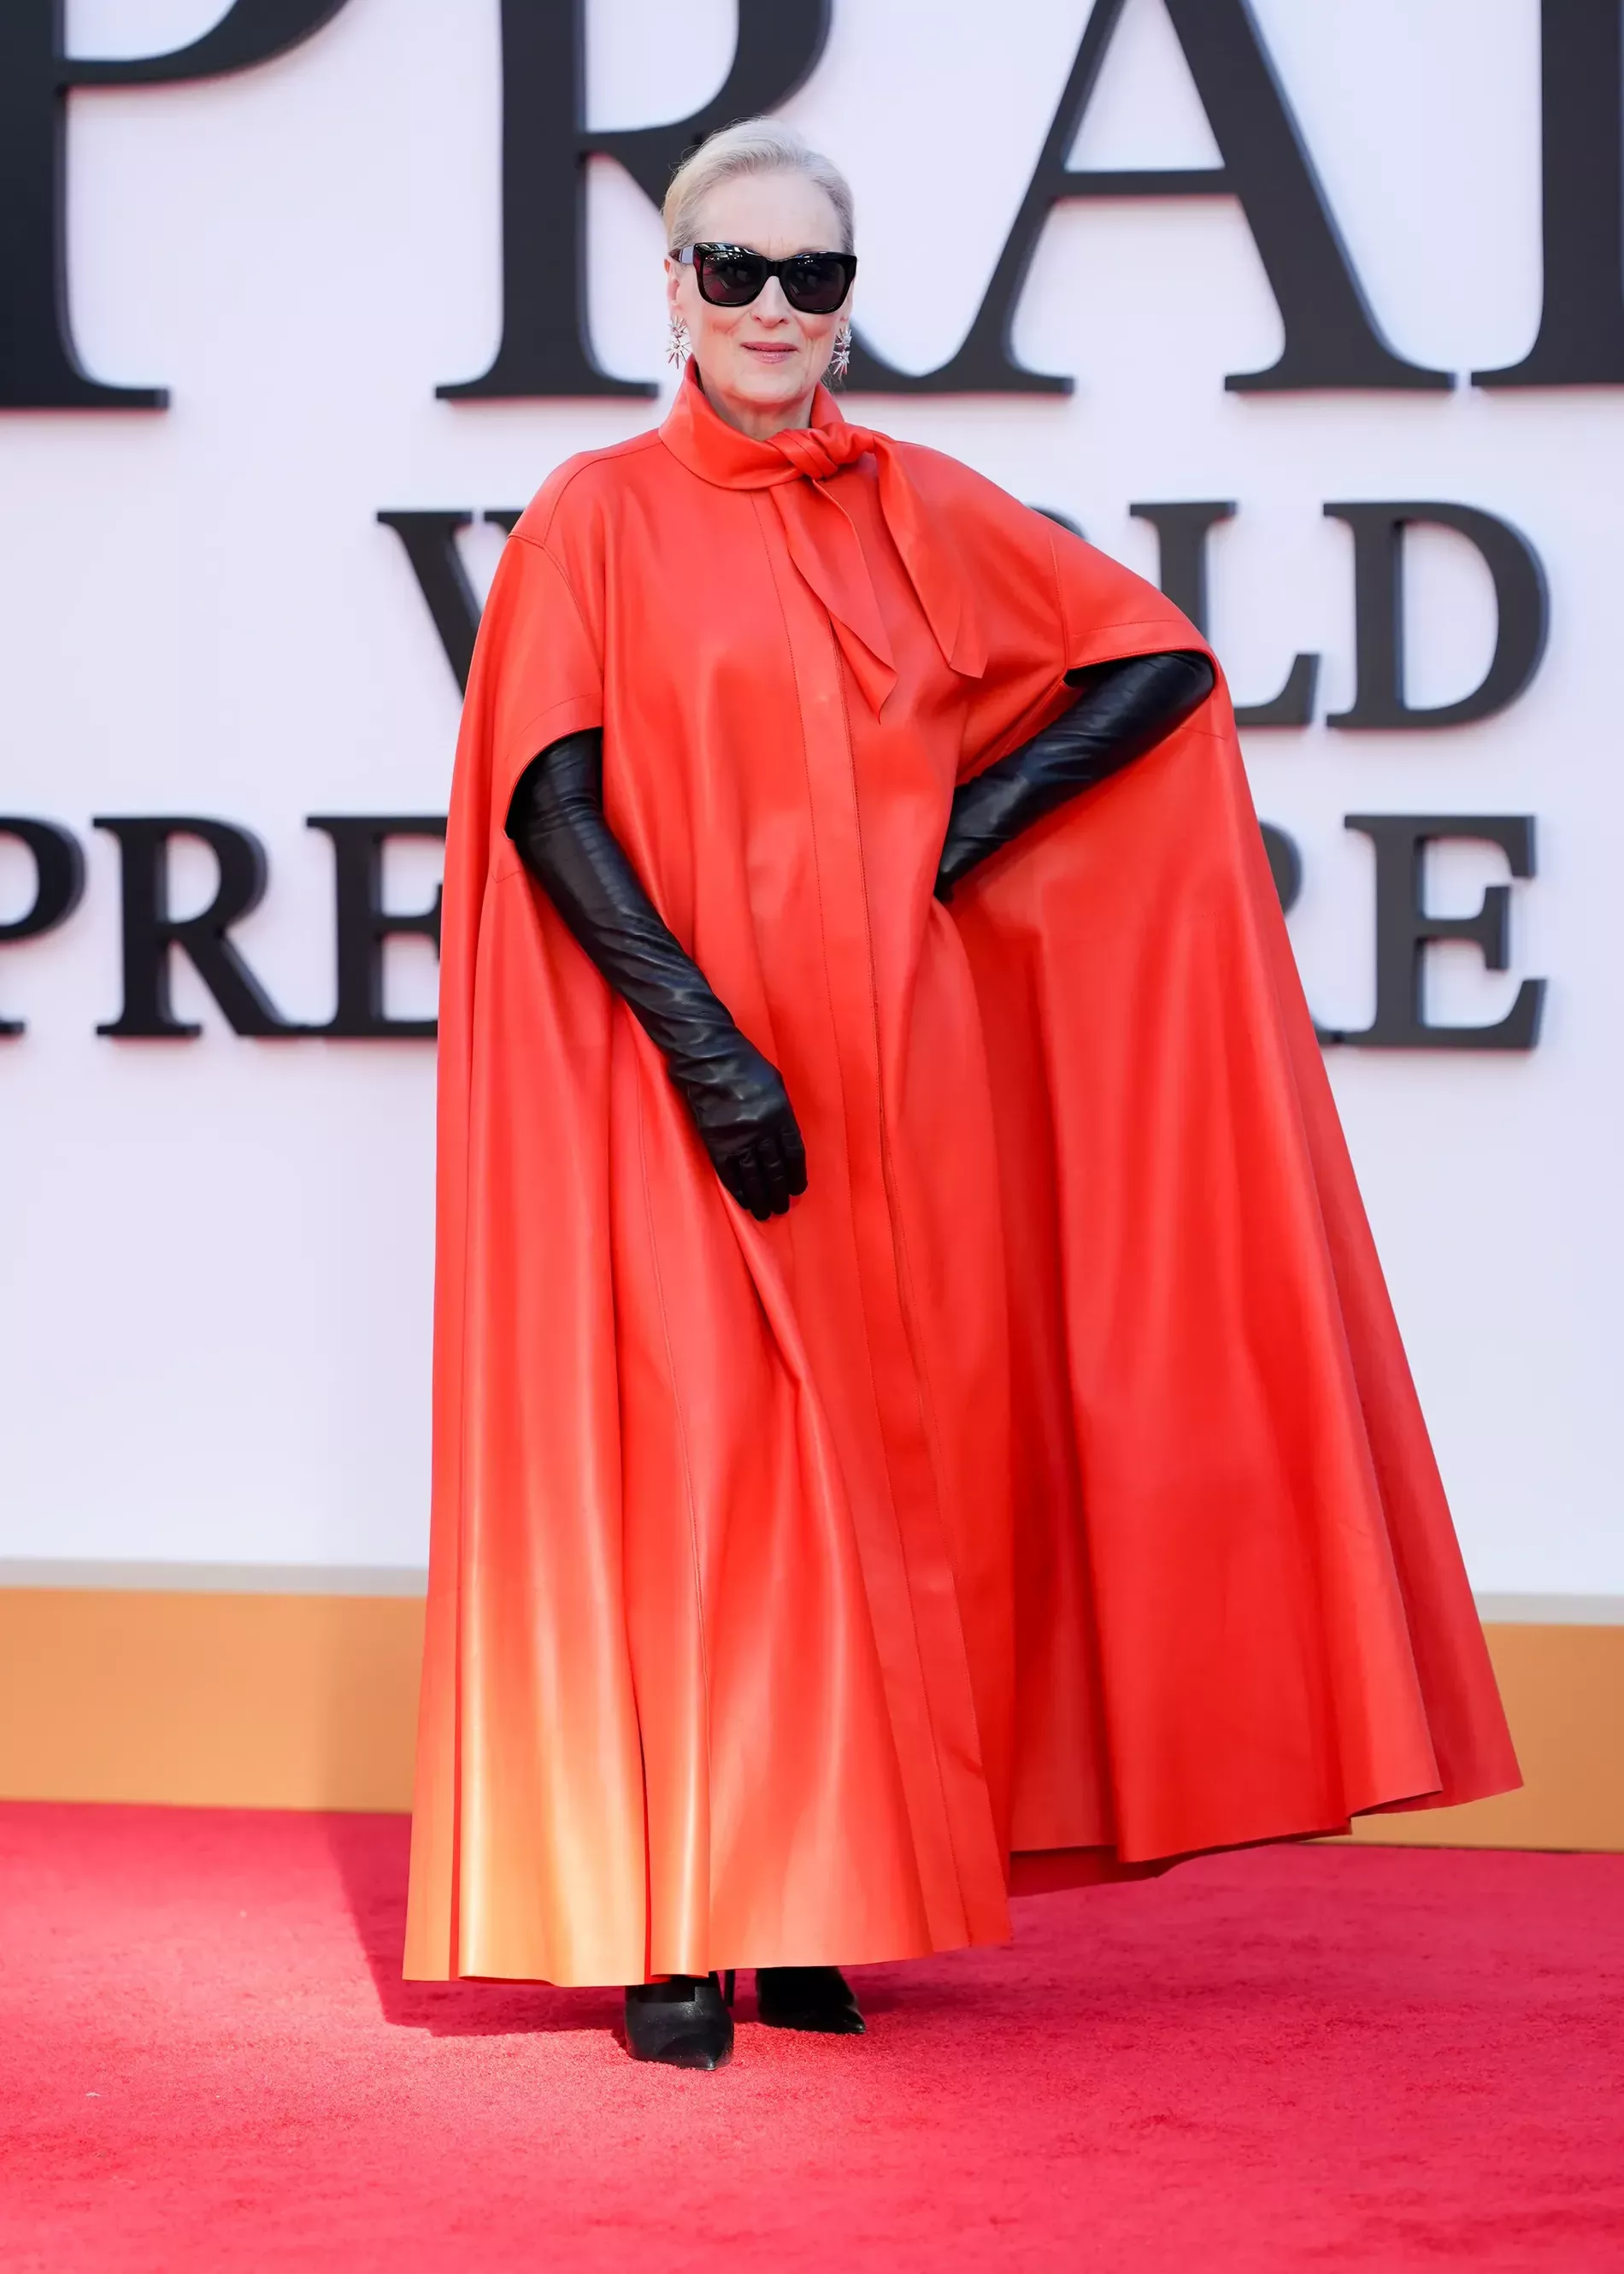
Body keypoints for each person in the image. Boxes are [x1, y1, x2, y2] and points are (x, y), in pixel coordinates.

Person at [405, 121, 1517, 2070]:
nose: (771, 308)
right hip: (685, 1081)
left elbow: (1152, 667)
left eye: (810, 276)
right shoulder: (594, 516)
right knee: (707, 1480)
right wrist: (705, 1046)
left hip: (896, 1082)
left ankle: (823, 1900)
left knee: (872, 1489)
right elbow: (549, 800)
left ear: (847, 301)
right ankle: (685, 1920)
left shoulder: (915, 505)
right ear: (672, 289)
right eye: (735, 270)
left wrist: (951, 835)